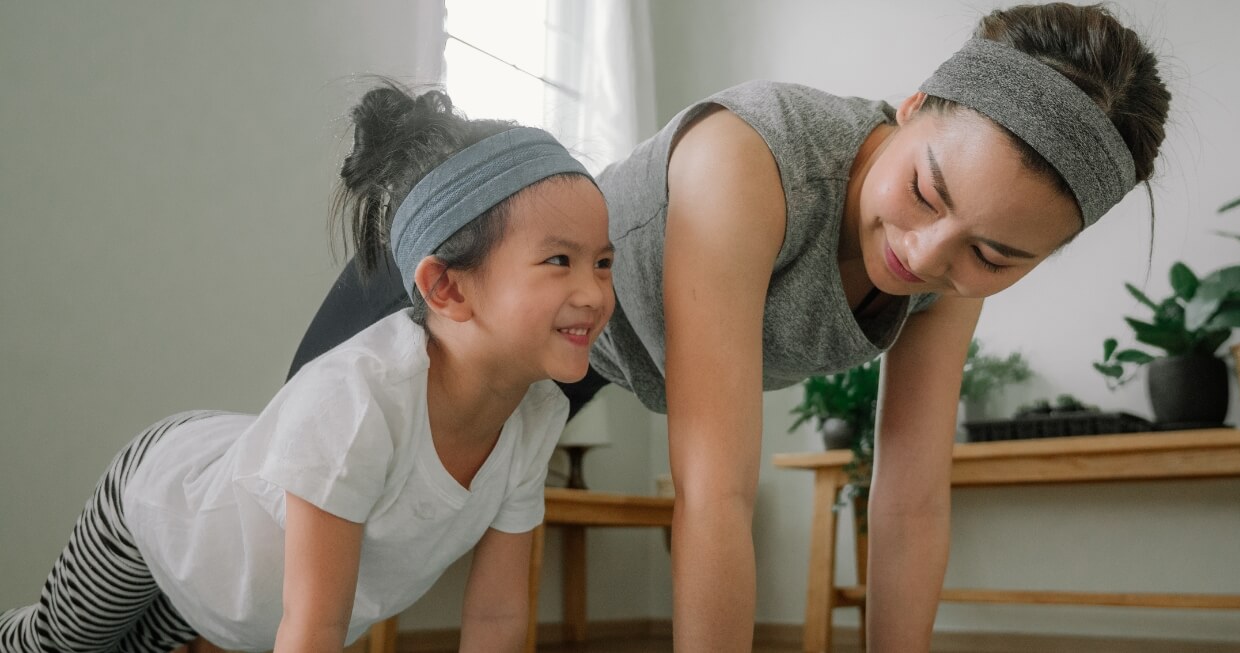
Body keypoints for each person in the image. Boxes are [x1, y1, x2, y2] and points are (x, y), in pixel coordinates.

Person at [288, 4, 1171, 650]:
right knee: (262, 543)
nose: (927, 254)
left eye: (995, 254)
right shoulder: (749, 160)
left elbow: (910, 496)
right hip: (469, 300)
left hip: (584, 356)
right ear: (911, 108)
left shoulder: (954, 258)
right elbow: (715, 494)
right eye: (926, 192)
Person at [0, 85, 615, 653]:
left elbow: (496, 617)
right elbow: (314, 626)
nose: (593, 292)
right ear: (447, 288)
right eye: (560, 260)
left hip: (234, 588)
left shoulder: (536, 416)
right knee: (57, 646)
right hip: (161, 507)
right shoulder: (359, 402)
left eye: (604, 263)